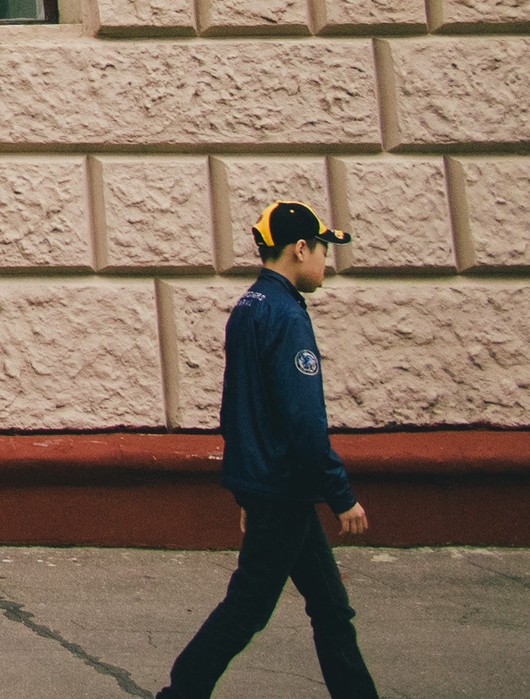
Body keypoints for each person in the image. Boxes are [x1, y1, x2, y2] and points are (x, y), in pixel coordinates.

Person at [154, 202, 380, 699]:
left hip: (271, 486)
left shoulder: (249, 305)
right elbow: (303, 422)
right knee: (249, 606)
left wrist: (245, 487)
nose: (327, 261)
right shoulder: (286, 316)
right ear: (301, 248)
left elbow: (235, 409)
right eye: (324, 249)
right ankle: (181, 692)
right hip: (285, 487)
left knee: (330, 608)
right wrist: (340, 495)